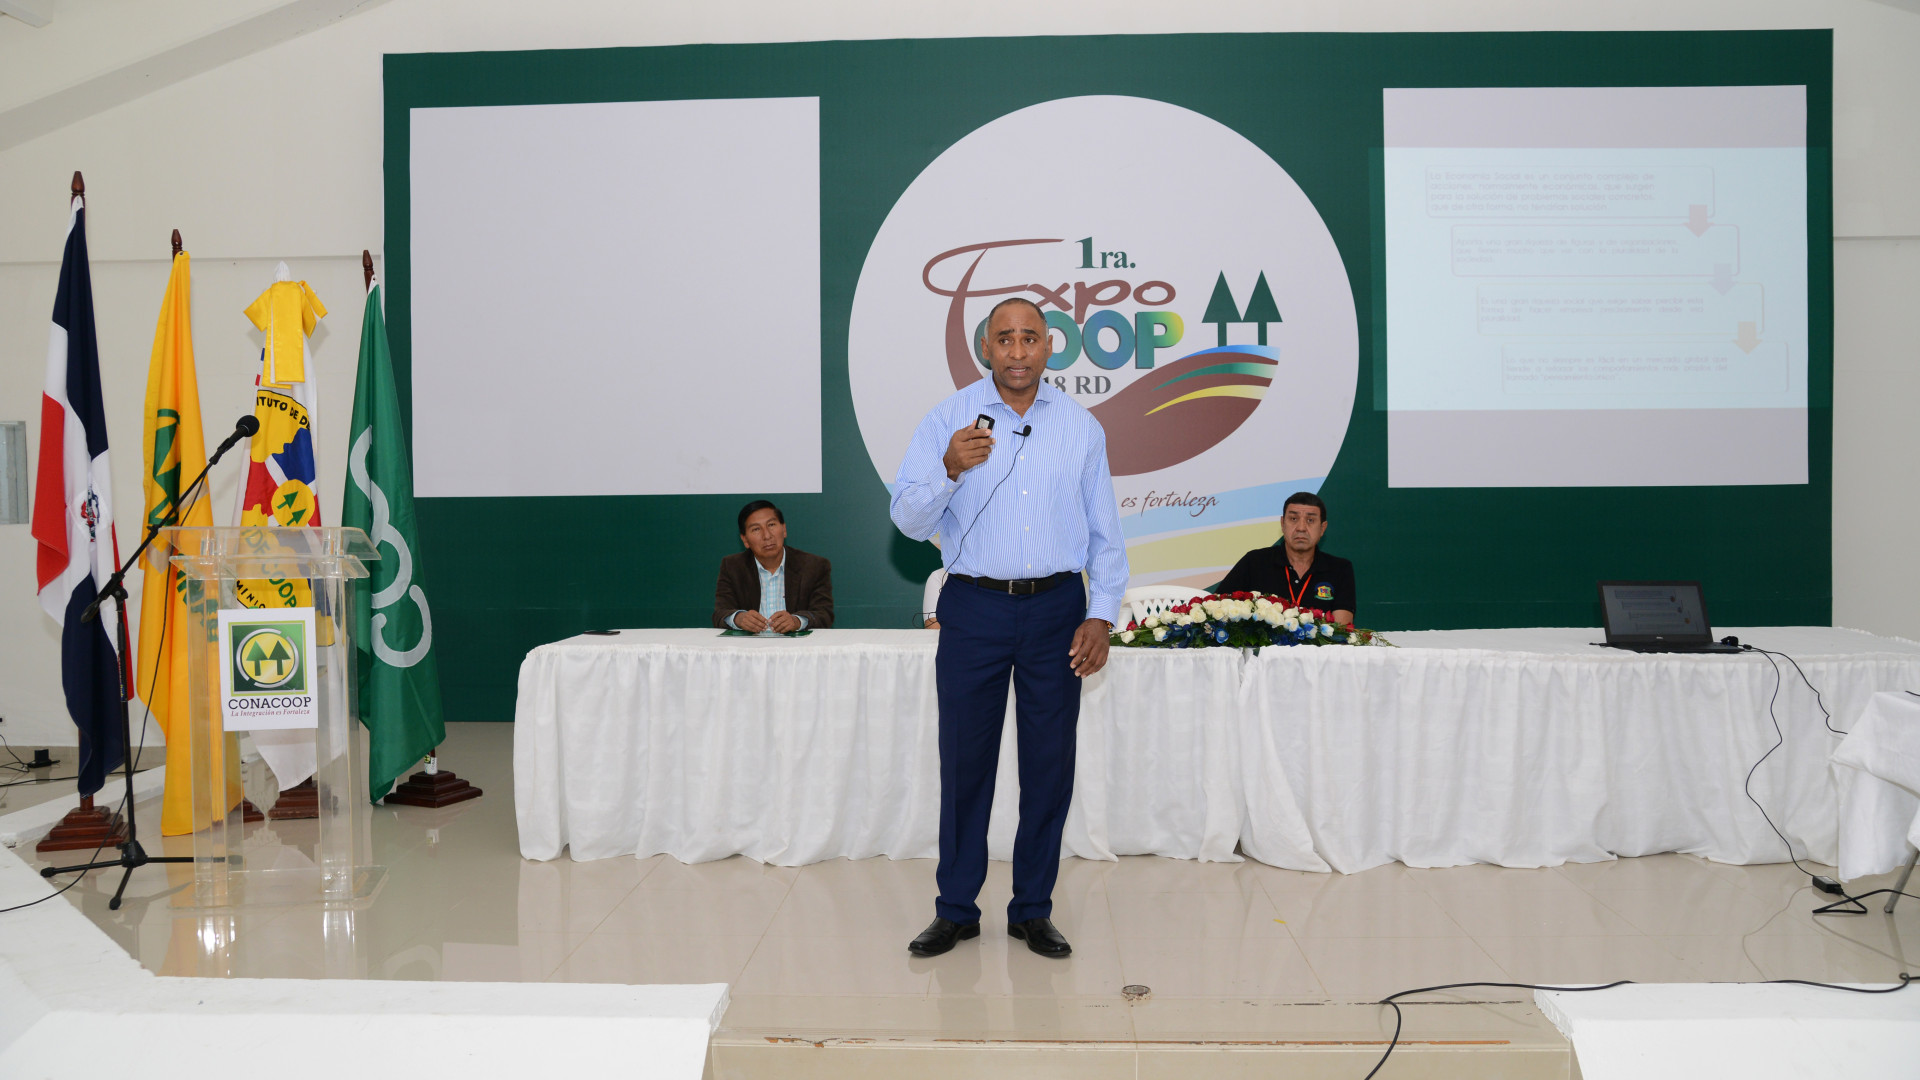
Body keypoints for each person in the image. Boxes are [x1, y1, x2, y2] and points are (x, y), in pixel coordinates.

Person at [890, 297, 1128, 960]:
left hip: (1057, 610)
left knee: (1049, 764)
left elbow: (1105, 531)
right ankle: (955, 910)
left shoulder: (1080, 427)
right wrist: (949, 469)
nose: (1017, 352)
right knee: (965, 761)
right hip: (974, 608)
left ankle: (1032, 909)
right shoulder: (947, 420)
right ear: (985, 348)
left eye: (1029, 338)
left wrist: (1101, 613)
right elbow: (907, 520)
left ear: (1049, 346)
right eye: (1004, 339)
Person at [1214, 492, 1355, 625]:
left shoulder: (1340, 569)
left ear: (1322, 528)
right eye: (1293, 519)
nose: (1301, 527)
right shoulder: (1254, 561)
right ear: (1282, 524)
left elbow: (1340, 629)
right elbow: (1217, 609)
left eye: (1310, 520)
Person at [712, 500, 833, 632]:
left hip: (796, 644)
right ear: (745, 540)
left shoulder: (814, 566)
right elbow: (720, 614)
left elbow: (824, 614)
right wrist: (738, 618)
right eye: (756, 529)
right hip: (750, 644)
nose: (767, 535)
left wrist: (797, 621)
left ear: (784, 529)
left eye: (771, 525)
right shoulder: (732, 566)